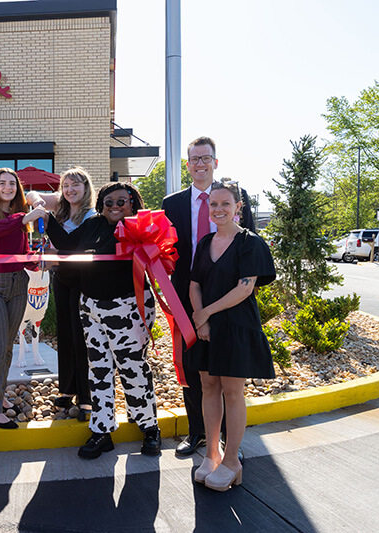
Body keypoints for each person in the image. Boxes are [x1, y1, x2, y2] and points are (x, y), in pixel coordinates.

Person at [46, 182, 161, 459]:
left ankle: (149, 428)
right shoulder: (94, 224)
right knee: (98, 370)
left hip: (127, 307)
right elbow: (67, 245)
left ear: (133, 202)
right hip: (91, 307)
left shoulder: (138, 227)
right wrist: (46, 218)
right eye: (108, 202)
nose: (115, 207)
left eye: (122, 201)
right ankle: (102, 430)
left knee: (132, 368)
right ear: (101, 205)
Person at [161, 137, 255, 458]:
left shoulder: (232, 199)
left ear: (216, 162)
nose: (200, 164)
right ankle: (198, 432)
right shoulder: (171, 204)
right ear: (187, 164)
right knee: (192, 364)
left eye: (206, 158)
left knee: (226, 367)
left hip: (228, 295)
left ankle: (230, 440)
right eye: (194, 159)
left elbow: (249, 244)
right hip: (187, 294)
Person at [189, 179, 276, 491]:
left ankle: (232, 461)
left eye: (226, 203)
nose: (219, 209)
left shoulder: (251, 243)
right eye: (213, 204)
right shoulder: (204, 243)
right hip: (207, 328)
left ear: (239, 207)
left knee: (232, 391)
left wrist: (206, 313)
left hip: (236, 326)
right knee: (208, 387)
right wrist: (201, 322)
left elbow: (245, 288)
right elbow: (195, 283)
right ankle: (211, 454)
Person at [0, 168, 48, 429]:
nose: (7, 187)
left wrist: (36, 257)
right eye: (2, 183)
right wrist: (26, 216)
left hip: (18, 283)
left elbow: (21, 250)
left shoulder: (20, 217)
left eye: (12, 184)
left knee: (7, 347)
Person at [25, 167, 96, 420]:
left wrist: (48, 219)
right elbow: (31, 194)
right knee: (64, 336)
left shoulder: (91, 216)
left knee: (81, 338)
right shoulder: (63, 207)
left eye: (76, 185)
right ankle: (67, 390)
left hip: (83, 283)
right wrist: (39, 203)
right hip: (62, 280)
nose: (70, 190)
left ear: (86, 189)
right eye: (65, 185)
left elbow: (67, 246)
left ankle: (87, 396)